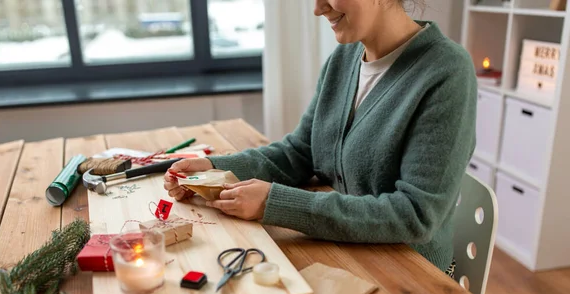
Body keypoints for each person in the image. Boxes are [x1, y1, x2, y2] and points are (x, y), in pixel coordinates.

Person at [164, 0, 477, 276]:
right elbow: (301, 151)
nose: (318, 8)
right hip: (348, 251)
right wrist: (212, 170)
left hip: (411, 272)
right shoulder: (343, 59)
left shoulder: (447, 72)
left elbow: (416, 215)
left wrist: (274, 203)